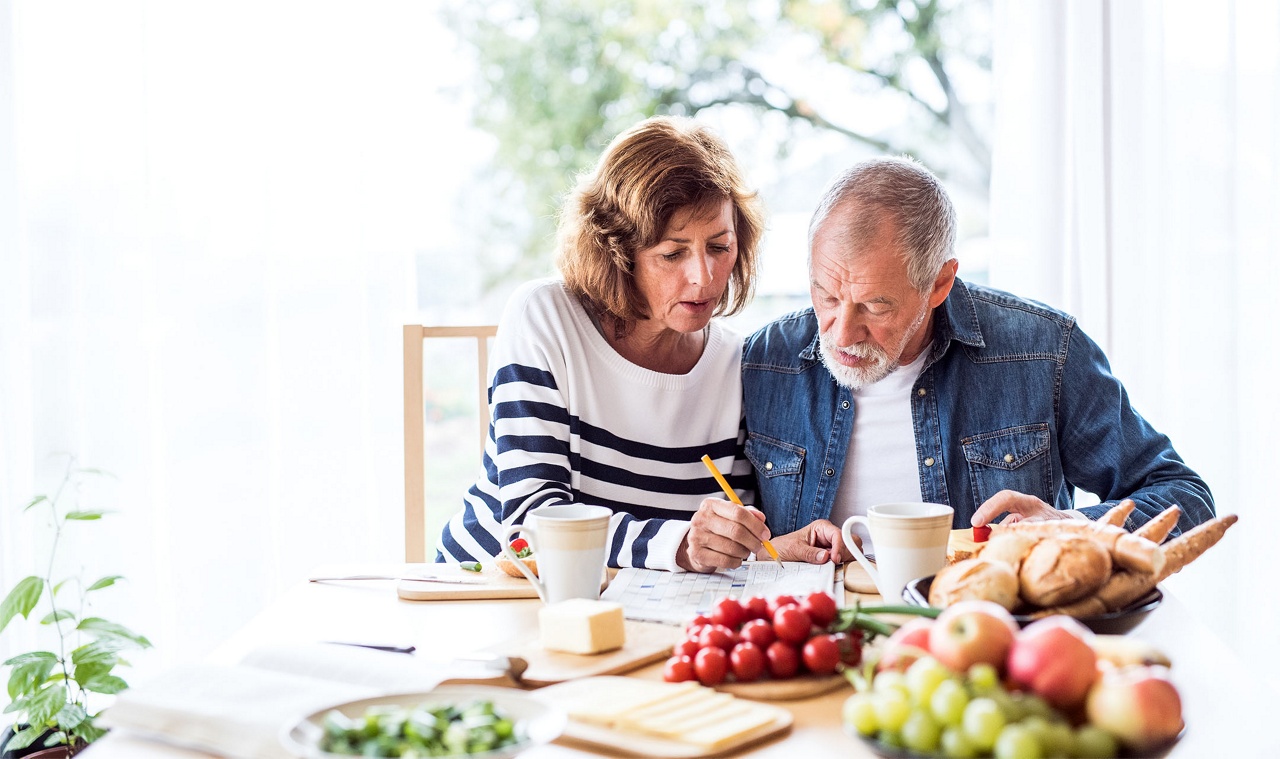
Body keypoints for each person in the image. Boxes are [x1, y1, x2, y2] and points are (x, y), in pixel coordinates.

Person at [743, 156, 1214, 563]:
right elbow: (708, 539)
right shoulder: (763, 362)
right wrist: (763, 549)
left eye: (875, 305)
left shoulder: (1042, 350)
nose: (842, 332)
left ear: (940, 284)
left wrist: (1071, 526)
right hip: (813, 644)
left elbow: (1185, 497)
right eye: (825, 295)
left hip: (998, 640)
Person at [438, 116, 773, 572]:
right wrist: (679, 546)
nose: (704, 277)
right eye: (672, 253)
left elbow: (725, 535)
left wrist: (752, 542)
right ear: (615, 251)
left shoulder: (736, 364)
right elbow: (532, 528)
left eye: (719, 247)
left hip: (635, 607)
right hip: (488, 590)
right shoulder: (546, 318)